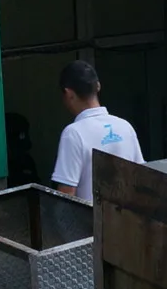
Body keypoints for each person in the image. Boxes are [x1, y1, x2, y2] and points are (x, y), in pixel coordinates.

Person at [51, 59, 143, 202]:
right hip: (127, 221)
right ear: (98, 86)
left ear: (69, 93)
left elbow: (66, 195)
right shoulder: (125, 127)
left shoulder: (73, 134)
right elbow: (142, 179)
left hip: (92, 223)